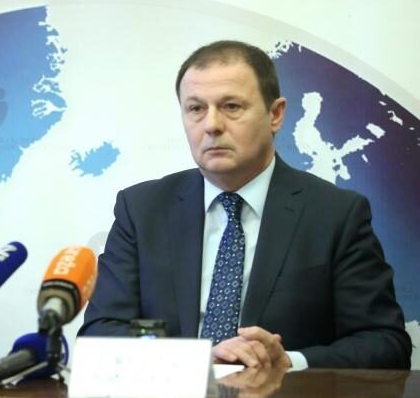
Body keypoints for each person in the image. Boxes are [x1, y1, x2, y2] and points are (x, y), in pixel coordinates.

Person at [79, 40, 411, 369]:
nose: (211, 125)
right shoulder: (142, 210)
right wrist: (198, 361)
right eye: (196, 109)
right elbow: (99, 334)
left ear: (276, 114)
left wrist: (287, 362)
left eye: (231, 106)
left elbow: (385, 343)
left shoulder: (336, 214)